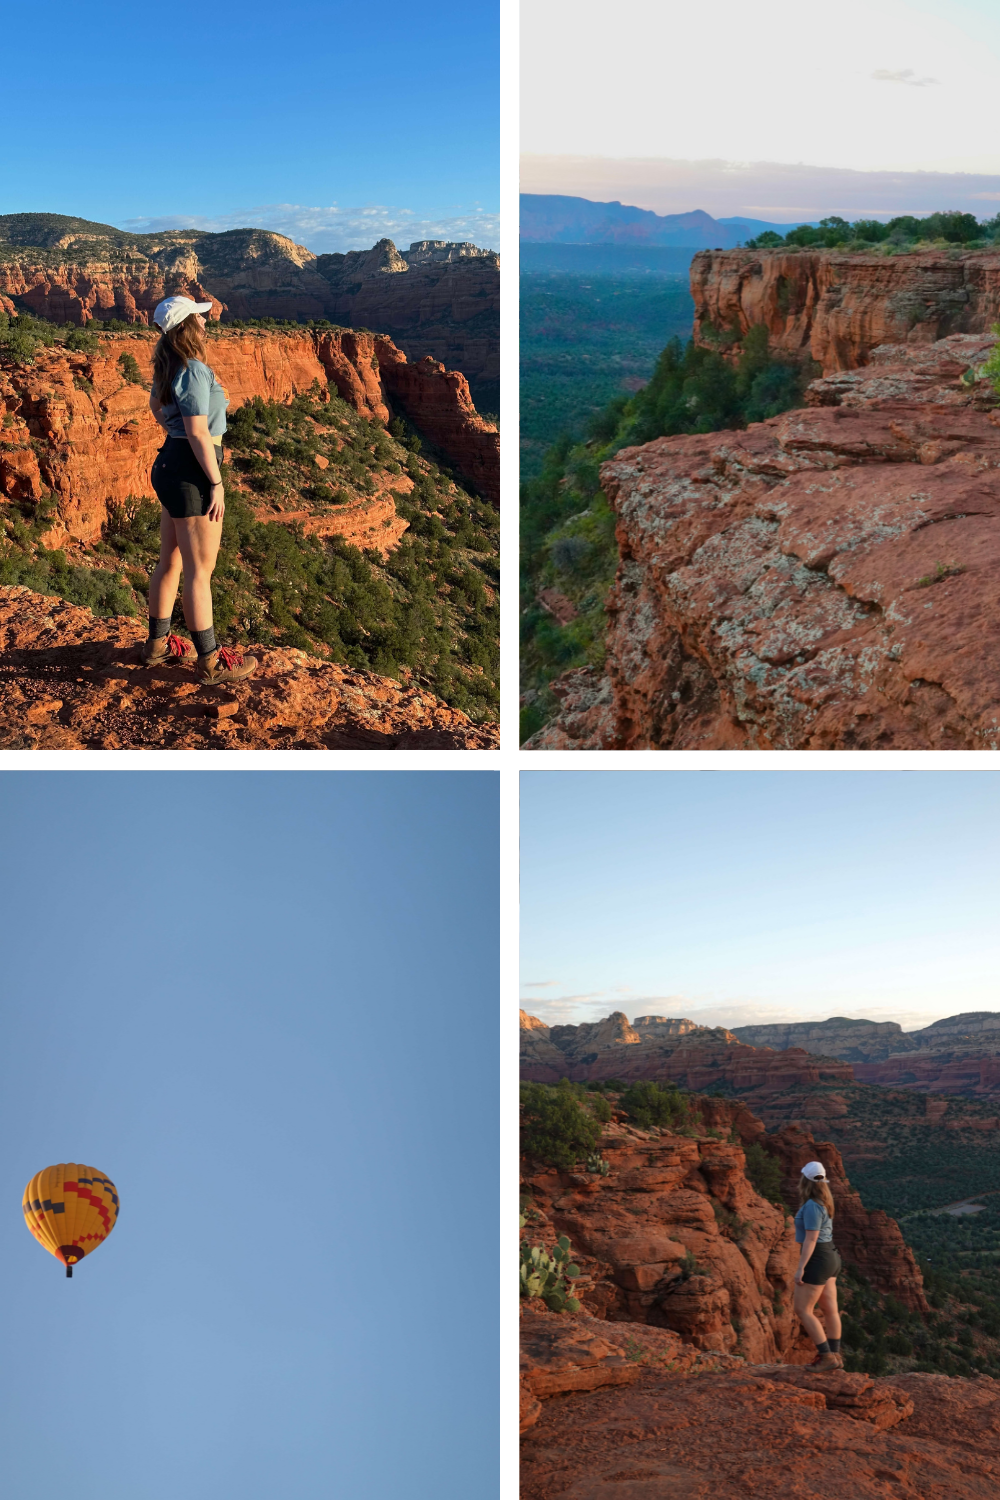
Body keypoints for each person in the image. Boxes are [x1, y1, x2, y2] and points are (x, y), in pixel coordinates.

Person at [144, 294, 256, 684]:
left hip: (170, 465)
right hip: (192, 472)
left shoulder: (168, 364)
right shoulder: (192, 369)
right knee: (199, 571)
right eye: (200, 318)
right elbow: (197, 431)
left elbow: (157, 409)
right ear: (188, 327)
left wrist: (174, 435)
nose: (207, 323)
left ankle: (156, 646)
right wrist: (217, 482)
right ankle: (210, 662)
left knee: (169, 560)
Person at [793, 1160, 844, 1371]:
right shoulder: (824, 1200)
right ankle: (835, 1354)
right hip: (831, 1257)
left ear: (805, 1180)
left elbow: (811, 1240)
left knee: (803, 1310)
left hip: (818, 1259)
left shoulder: (813, 1205)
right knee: (830, 1309)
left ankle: (827, 1358)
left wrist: (801, 1267)